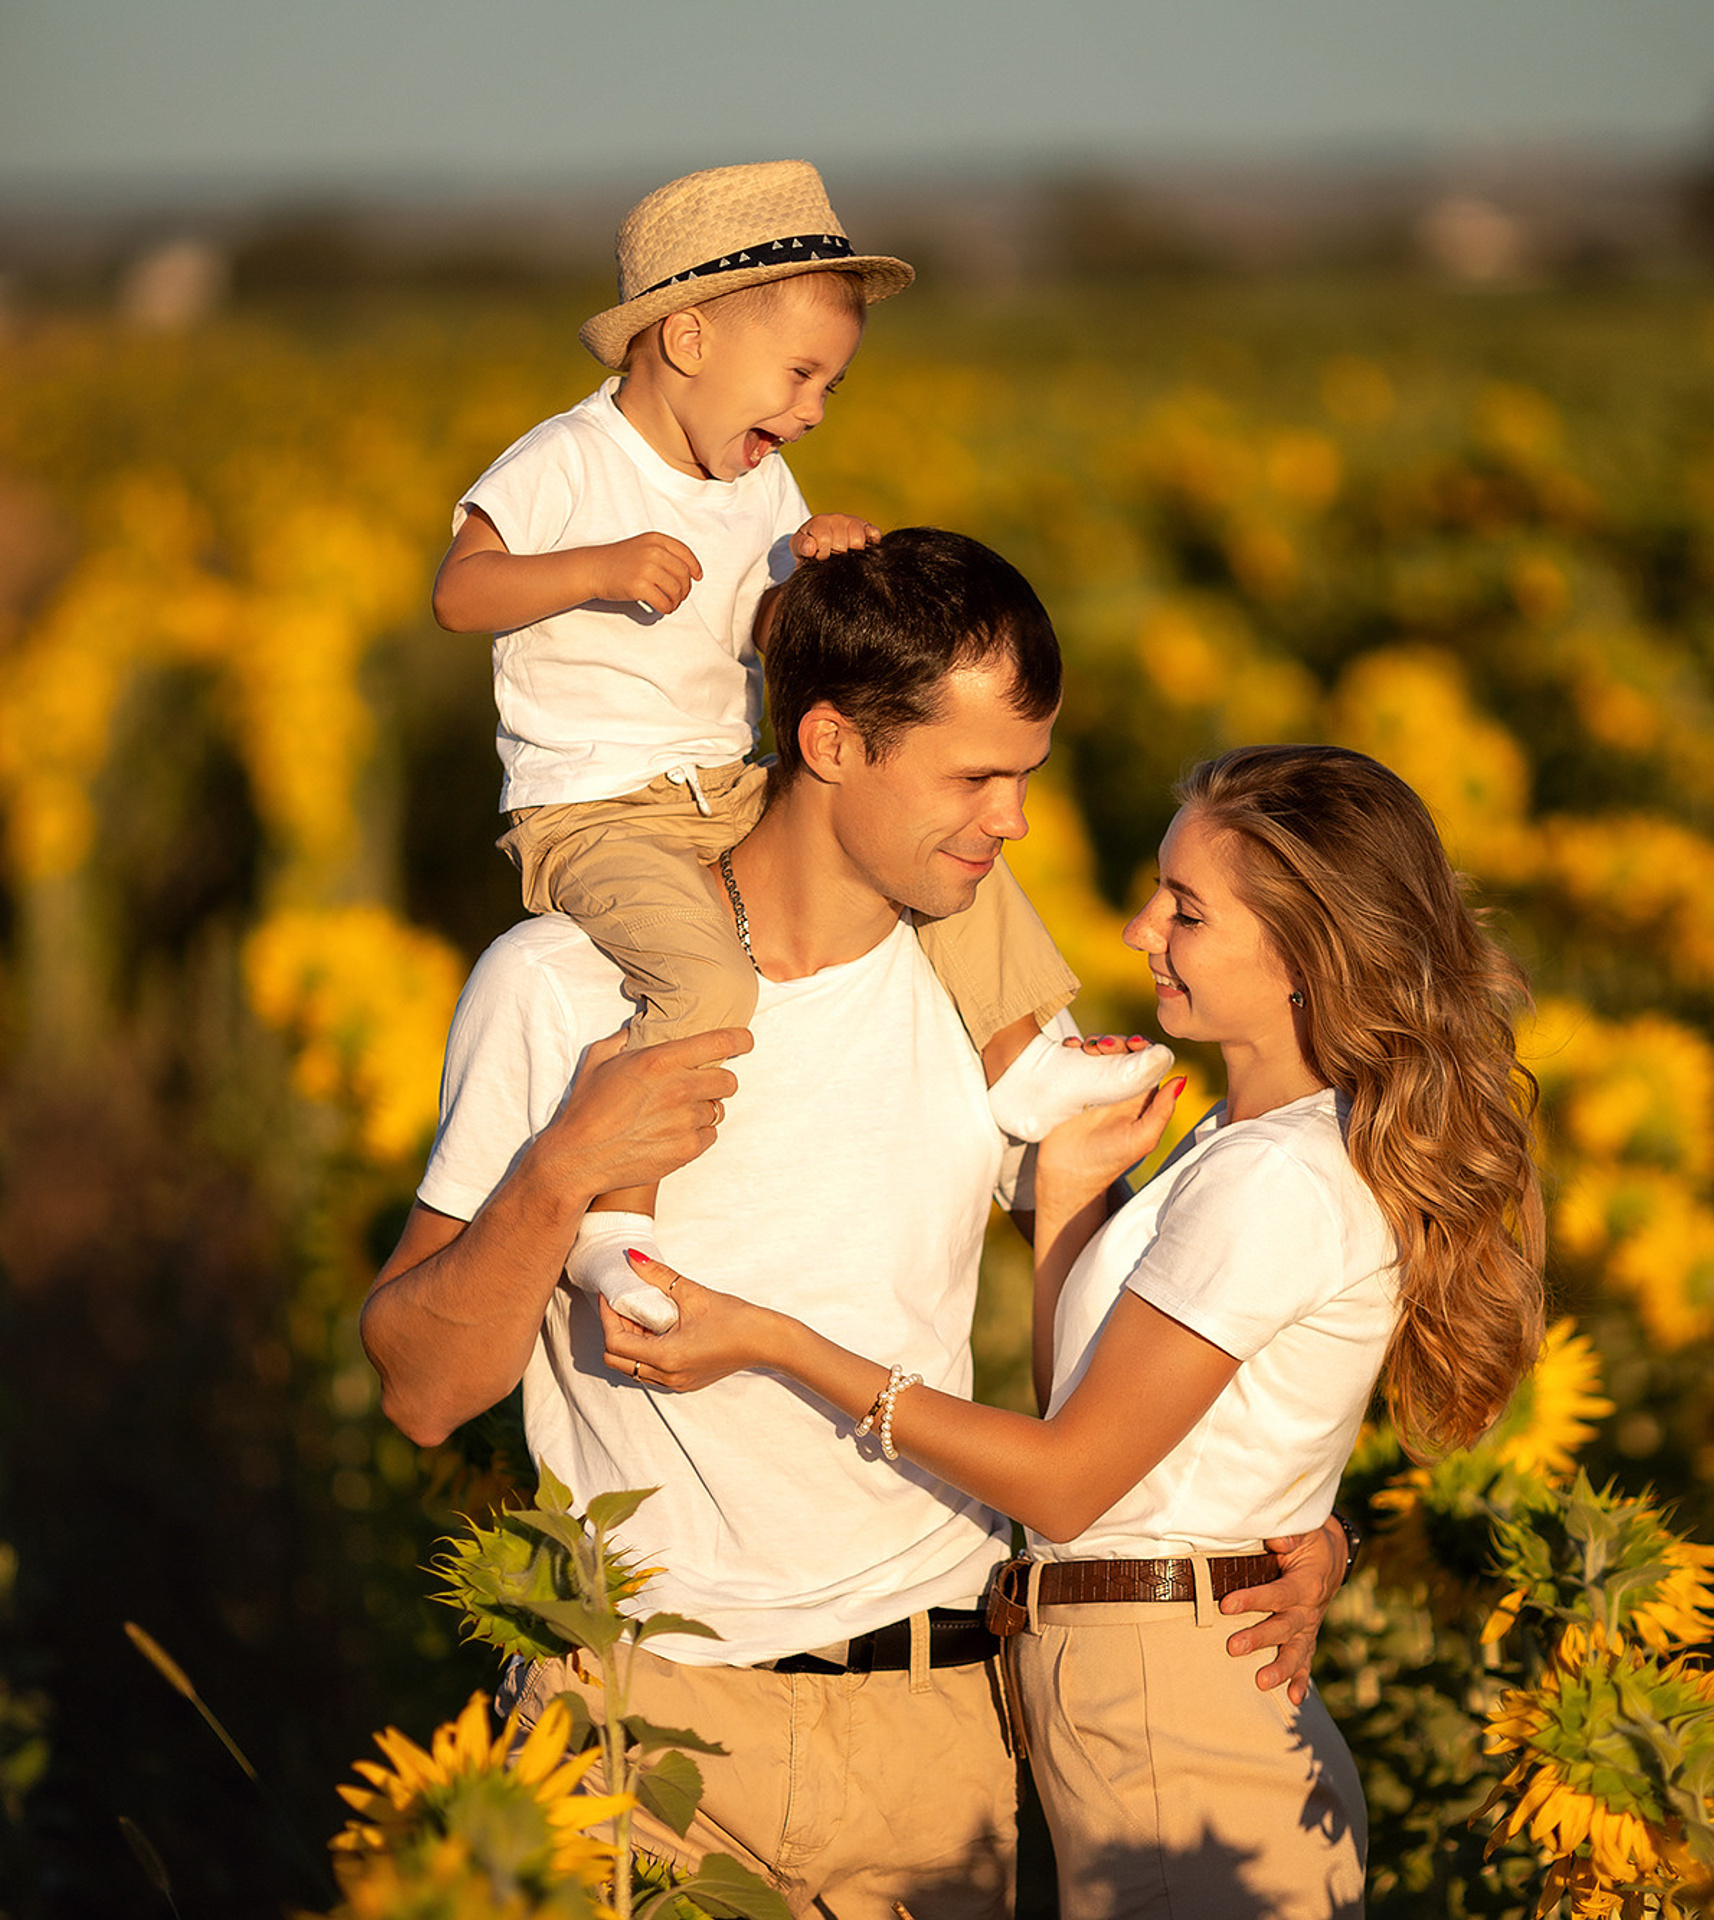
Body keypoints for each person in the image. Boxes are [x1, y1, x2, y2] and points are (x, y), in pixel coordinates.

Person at [363, 533, 1348, 1920]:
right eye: (975, 778)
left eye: (1026, 777)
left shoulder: (996, 1026)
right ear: (830, 742)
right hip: (638, 1726)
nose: (1013, 822)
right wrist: (561, 1167)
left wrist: (1290, 1529)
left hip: (936, 1738)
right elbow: (421, 1389)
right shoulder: (560, 988)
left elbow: (1155, 1349)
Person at [617, 742, 1549, 1920]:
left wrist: (777, 1342)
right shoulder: (1240, 1143)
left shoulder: (1278, 1178)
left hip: (1176, 1724)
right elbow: (1098, 1427)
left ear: (1305, 956)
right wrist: (1067, 1195)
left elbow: (1064, 1485)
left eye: (1187, 912)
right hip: (1141, 1702)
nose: (1140, 929)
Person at [432, 159, 1161, 1331]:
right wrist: (596, 568)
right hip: (596, 810)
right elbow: (462, 594)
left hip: (722, 781)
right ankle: (618, 1224)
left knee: (932, 842)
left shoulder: (760, 480)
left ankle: (1021, 1060)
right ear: (687, 340)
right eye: (801, 374)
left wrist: (822, 577)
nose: (815, 409)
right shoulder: (565, 462)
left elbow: (775, 634)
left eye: (829, 384)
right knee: (708, 980)